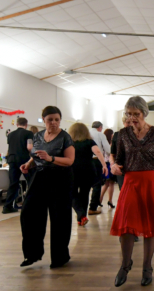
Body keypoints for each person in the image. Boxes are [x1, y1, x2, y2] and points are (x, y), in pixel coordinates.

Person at [111, 96, 154, 287]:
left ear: (144, 113)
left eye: (136, 114)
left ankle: (147, 267)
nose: (132, 118)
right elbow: (119, 159)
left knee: (150, 226)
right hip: (132, 182)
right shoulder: (123, 134)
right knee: (126, 225)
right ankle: (125, 264)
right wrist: (114, 166)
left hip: (153, 183)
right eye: (128, 114)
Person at [19, 106, 75, 268]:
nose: (54, 122)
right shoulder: (37, 136)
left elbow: (70, 160)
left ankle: (60, 257)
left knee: (59, 217)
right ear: (44, 120)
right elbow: (36, 155)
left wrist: (51, 158)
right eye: (50, 119)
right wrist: (28, 164)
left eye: (57, 119)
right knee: (29, 213)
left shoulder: (65, 137)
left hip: (60, 178)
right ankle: (32, 254)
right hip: (40, 177)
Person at [68, 123, 108, 226]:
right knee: (84, 194)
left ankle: (80, 215)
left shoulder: (69, 142)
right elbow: (97, 151)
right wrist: (104, 165)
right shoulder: (89, 141)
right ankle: (82, 218)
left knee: (72, 193)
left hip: (72, 170)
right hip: (88, 170)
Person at [3, 117, 33, 214]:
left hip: (11, 159)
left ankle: (7, 207)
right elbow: (29, 147)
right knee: (31, 181)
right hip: (23, 159)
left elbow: (10, 147)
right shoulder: (28, 133)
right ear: (26, 125)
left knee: (13, 183)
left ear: (17, 124)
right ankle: (31, 204)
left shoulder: (10, 135)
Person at [88, 121, 111, 215]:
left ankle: (82, 210)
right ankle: (92, 208)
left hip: (86, 161)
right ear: (100, 127)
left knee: (85, 185)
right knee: (97, 184)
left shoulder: (86, 133)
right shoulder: (100, 134)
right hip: (96, 160)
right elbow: (108, 149)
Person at [111, 114, 132, 190]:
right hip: (120, 166)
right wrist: (113, 164)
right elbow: (112, 153)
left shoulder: (137, 135)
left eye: (131, 122)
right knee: (123, 189)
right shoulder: (117, 134)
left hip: (133, 166)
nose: (130, 124)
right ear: (123, 123)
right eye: (128, 122)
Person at [100, 128, 116, 208]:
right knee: (111, 183)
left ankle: (100, 200)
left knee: (106, 184)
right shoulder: (111, 144)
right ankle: (110, 200)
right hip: (110, 164)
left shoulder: (103, 143)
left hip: (105, 164)